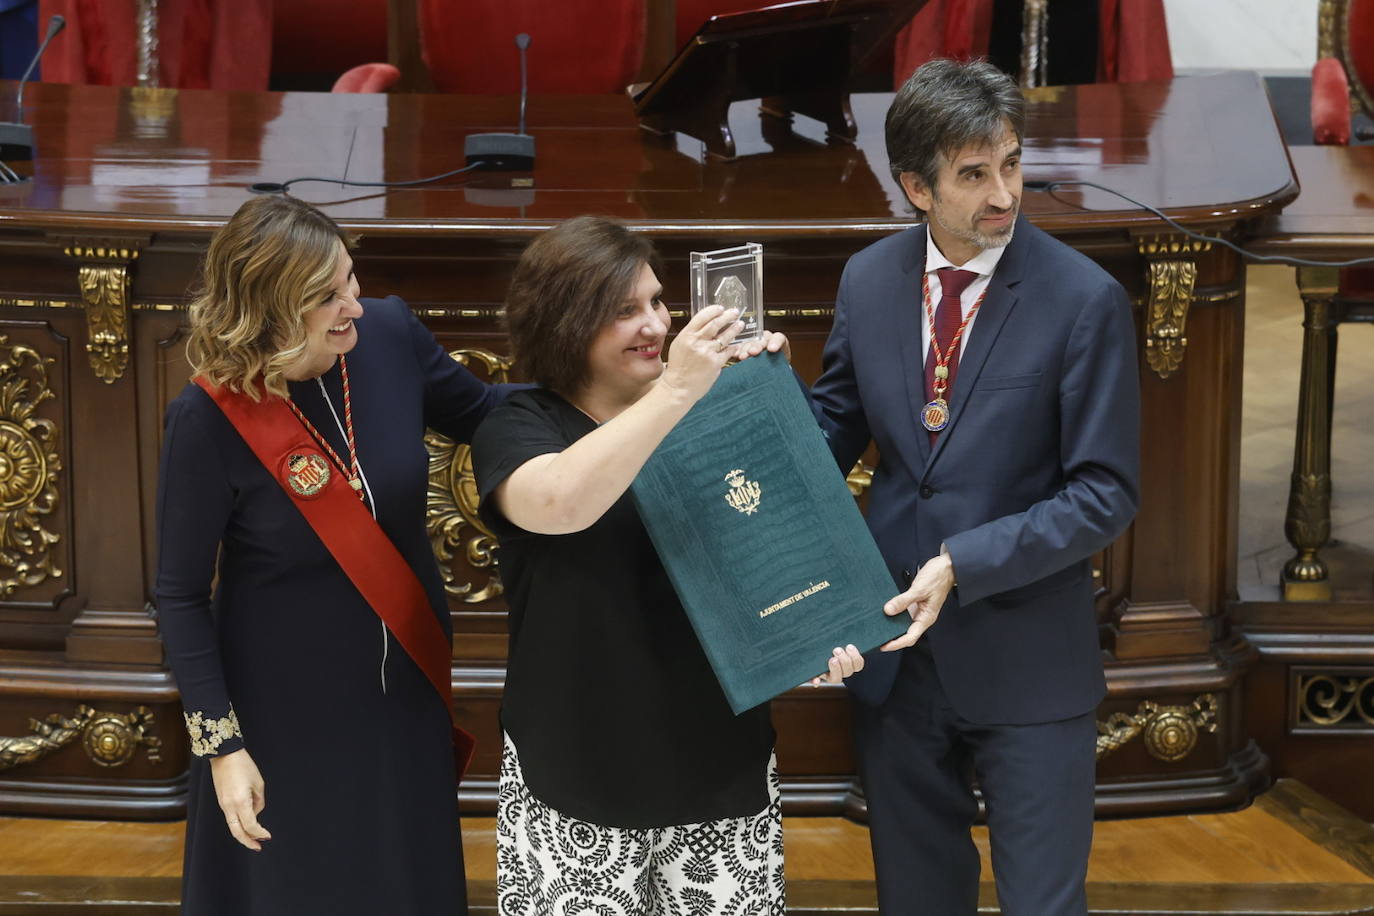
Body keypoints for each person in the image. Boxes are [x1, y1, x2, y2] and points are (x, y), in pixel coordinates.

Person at [809, 59, 1141, 915]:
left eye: (1012, 163)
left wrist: (963, 559)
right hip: (896, 667)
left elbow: (1105, 493)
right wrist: (741, 399)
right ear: (917, 188)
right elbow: (825, 439)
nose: (1004, 193)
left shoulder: (1083, 300)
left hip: (1028, 663)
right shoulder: (869, 280)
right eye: (973, 174)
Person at [469, 216, 864, 916]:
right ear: (564, 324)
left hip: (718, 766)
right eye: (624, 311)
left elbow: (786, 550)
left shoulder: (719, 408)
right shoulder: (519, 424)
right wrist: (677, 392)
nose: (655, 323)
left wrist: (814, 639)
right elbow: (562, 501)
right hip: (577, 773)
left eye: (656, 300)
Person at [155, 194, 517, 915]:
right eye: (328, 297)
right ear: (268, 311)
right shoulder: (207, 417)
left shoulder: (388, 333)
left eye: (351, 277)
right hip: (280, 720)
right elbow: (179, 595)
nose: (354, 303)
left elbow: (488, 412)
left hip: (399, 704)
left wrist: (617, 391)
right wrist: (223, 750)